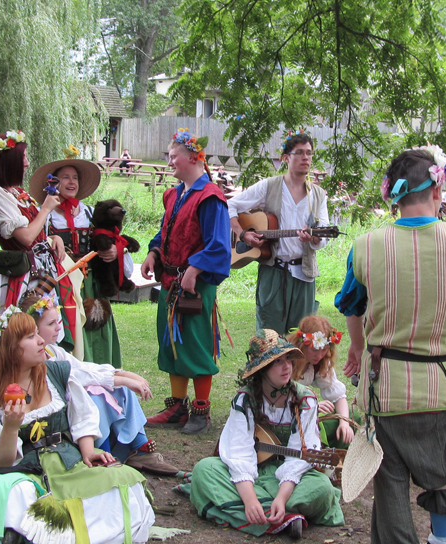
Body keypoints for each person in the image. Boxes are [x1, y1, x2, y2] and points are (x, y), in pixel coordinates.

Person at [336, 145, 446, 544]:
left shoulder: (367, 247)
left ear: (392, 196)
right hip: (443, 382)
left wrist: (358, 348)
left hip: (389, 386)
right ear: (438, 186)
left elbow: (351, 304)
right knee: (442, 473)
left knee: (392, 478)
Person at [0, 308, 154, 544]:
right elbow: (0, 464)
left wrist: (89, 451)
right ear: (11, 349)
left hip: (65, 463)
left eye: (38, 333)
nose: (41, 341)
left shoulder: (55, 374)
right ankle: (31, 530)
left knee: (123, 481)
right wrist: (11, 427)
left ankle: (35, 533)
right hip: (19, 471)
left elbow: (83, 416)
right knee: (13, 491)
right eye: (30, 337)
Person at [185, 329, 345, 538]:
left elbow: (298, 458)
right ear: (263, 369)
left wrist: (281, 496)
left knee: (321, 488)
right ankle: (284, 517)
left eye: (288, 359)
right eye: (278, 361)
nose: (287, 366)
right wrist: (250, 498)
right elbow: (238, 454)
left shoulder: (305, 400)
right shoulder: (245, 400)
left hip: (290, 479)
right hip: (249, 475)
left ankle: (259, 511)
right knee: (204, 470)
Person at [19, 292, 177, 476]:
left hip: (75, 409)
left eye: (58, 321)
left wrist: (121, 374)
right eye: (50, 324)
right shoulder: (40, 362)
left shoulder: (52, 351)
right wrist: (121, 378)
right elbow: (79, 375)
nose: (58, 327)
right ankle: (104, 453)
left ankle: (140, 448)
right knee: (97, 396)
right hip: (65, 421)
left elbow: (83, 367)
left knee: (119, 389)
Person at [140, 129, 231, 435]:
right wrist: (153, 252)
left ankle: (201, 410)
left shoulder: (211, 197)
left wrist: (194, 269)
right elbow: (166, 232)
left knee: (195, 342)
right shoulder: (174, 194)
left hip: (195, 286)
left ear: (193, 157)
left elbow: (218, 244)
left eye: (173, 156)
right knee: (171, 342)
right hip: (169, 281)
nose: (169, 162)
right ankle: (177, 406)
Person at [28, 158, 132, 367]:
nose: (71, 182)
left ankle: (100, 375)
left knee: (96, 324)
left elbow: (114, 238)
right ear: (54, 182)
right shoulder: (46, 215)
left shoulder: (90, 213)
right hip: (62, 286)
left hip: (92, 282)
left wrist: (113, 250)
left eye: (75, 177)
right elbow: (35, 246)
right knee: (67, 327)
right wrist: (52, 239)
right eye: (65, 177)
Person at [227, 131, 330, 335]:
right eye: (299, 153)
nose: (305, 158)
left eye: (309, 153)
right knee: (268, 338)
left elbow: (324, 236)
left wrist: (314, 238)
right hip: (273, 273)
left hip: (304, 275)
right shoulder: (269, 186)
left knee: (301, 338)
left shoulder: (318, 195)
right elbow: (230, 204)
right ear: (286, 158)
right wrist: (243, 234)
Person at [0, 130, 79, 351]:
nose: (27, 163)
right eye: (24, 158)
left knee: (48, 330)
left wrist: (53, 237)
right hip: (24, 278)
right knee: (25, 332)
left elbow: (36, 231)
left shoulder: (16, 191)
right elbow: (26, 237)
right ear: (11, 162)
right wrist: (46, 208)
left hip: (43, 273)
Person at [287, 315, 356, 449]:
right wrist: (313, 407)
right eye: (314, 350)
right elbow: (280, 401)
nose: (319, 356)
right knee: (317, 426)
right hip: (280, 417)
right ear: (302, 344)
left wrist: (344, 423)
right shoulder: (287, 363)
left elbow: (339, 396)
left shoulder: (321, 363)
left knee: (352, 418)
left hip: (301, 412)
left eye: (324, 350)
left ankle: (341, 461)